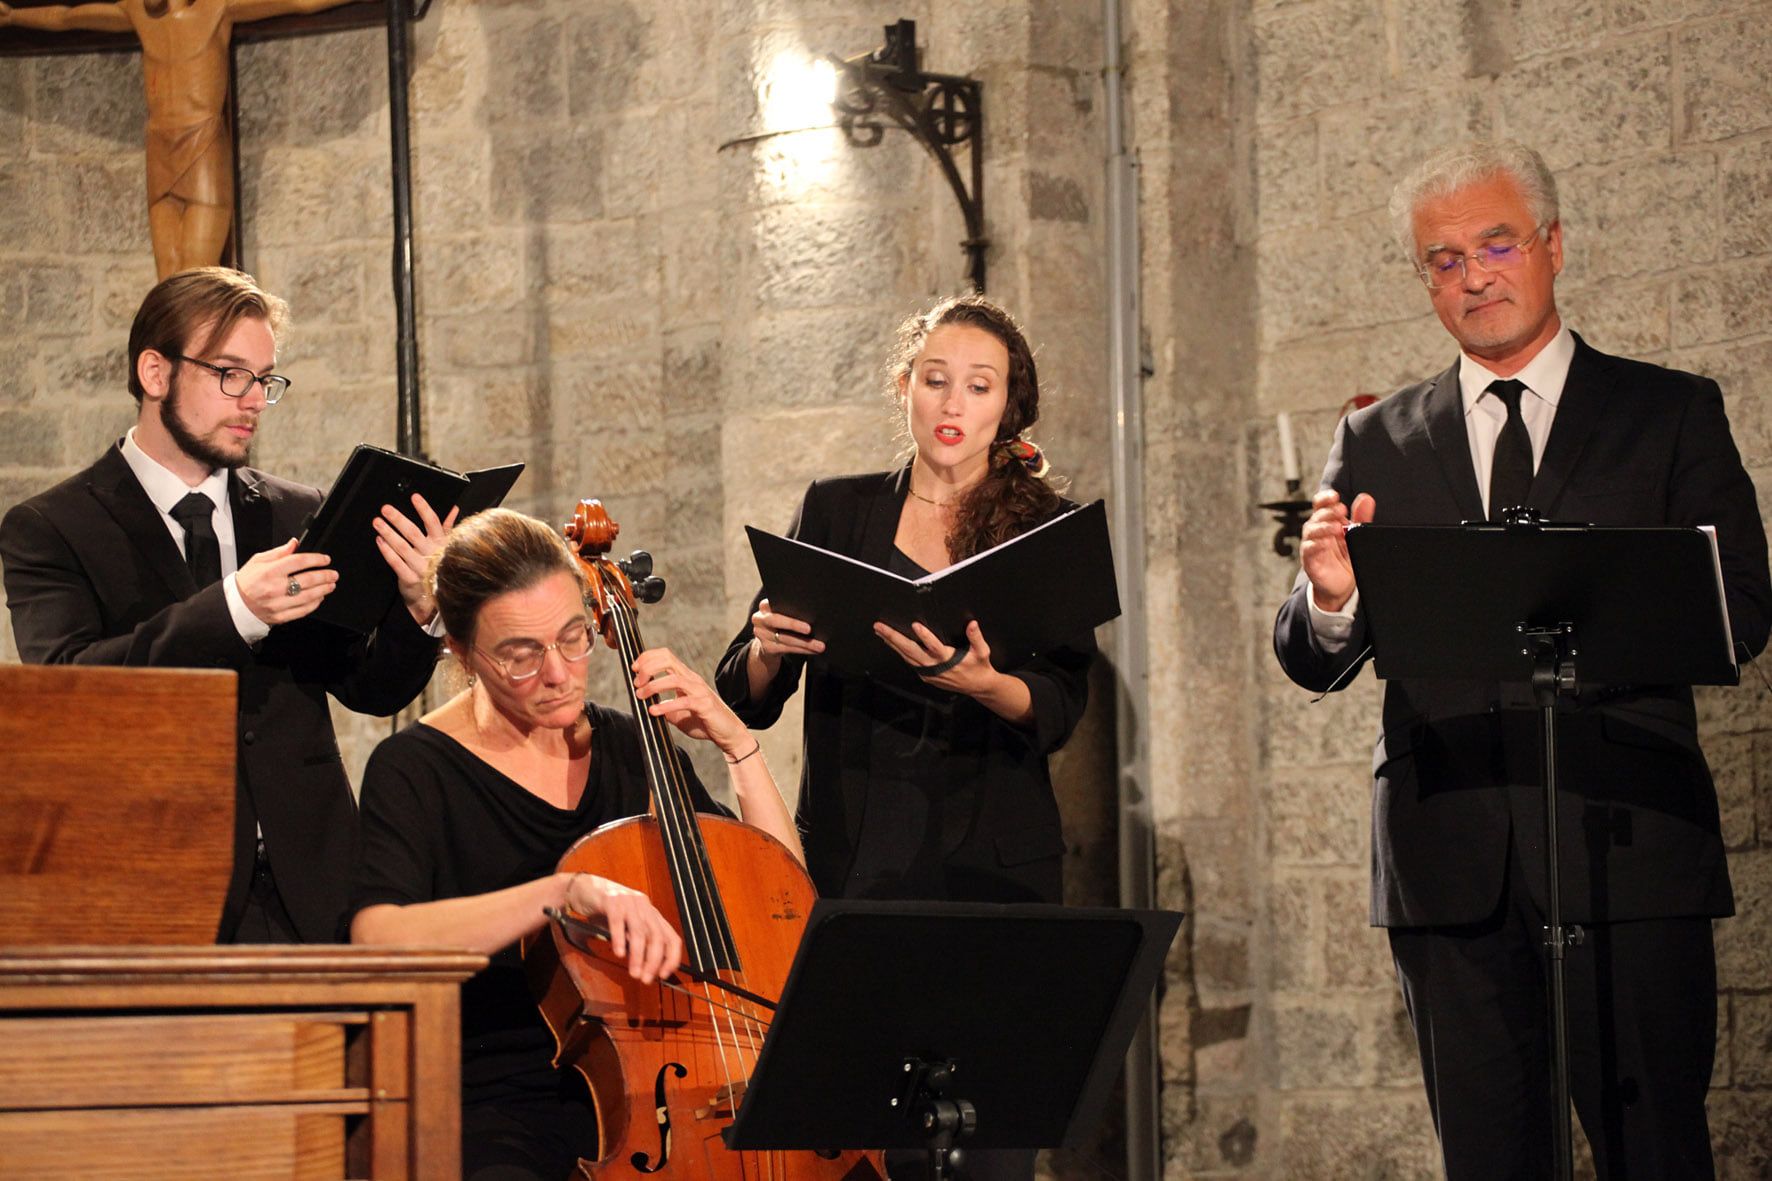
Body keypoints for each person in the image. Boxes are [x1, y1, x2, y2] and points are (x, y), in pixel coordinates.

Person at [1272, 141, 1772, 1180]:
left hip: (1624, 849)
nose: (1471, 275)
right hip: (1449, 867)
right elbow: (1314, 655)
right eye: (1440, 258)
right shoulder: (1373, 439)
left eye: (1494, 243)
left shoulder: (1667, 411)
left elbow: (1740, 609)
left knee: (1656, 1154)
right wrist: (1329, 595)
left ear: (1550, 245)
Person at [348, 507, 802, 1181]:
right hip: (501, 1100)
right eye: (521, 655)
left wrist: (739, 746)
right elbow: (377, 937)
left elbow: (778, 895)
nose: (559, 673)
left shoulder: (626, 742)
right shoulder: (415, 767)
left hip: (663, 1085)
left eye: (573, 638)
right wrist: (560, 892)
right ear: (462, 652)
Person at [0, 266, 450, 944]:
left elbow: (366, 684)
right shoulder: (51, 525)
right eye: (230, 374)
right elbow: (72, 686)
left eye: (265, 379)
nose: (254, 401)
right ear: (156, 373)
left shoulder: (296, 511)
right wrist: (236, 606)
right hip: (157, 885)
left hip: (312, 884)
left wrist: (419, 613)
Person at [716, 293, 1095, 910]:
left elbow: (1062, 700)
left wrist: (984, 684)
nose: (952, 404)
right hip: (855, 854)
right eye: (935, 380)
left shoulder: (1044, 529)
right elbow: (741, 694)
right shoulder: (835, 512)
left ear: (1007, 407)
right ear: (904, 387)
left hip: (995, 863)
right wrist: (766, 649)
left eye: (979, 387)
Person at [0, 0, 356, 277]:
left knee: (195, 275)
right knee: (167, 283)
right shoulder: (138, 13)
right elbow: (68, 18)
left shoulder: (217, 8)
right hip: (159, 145)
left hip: (200, 142)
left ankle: (196, 363)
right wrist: (14, 16)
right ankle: (172, 367)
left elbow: (299, 4)